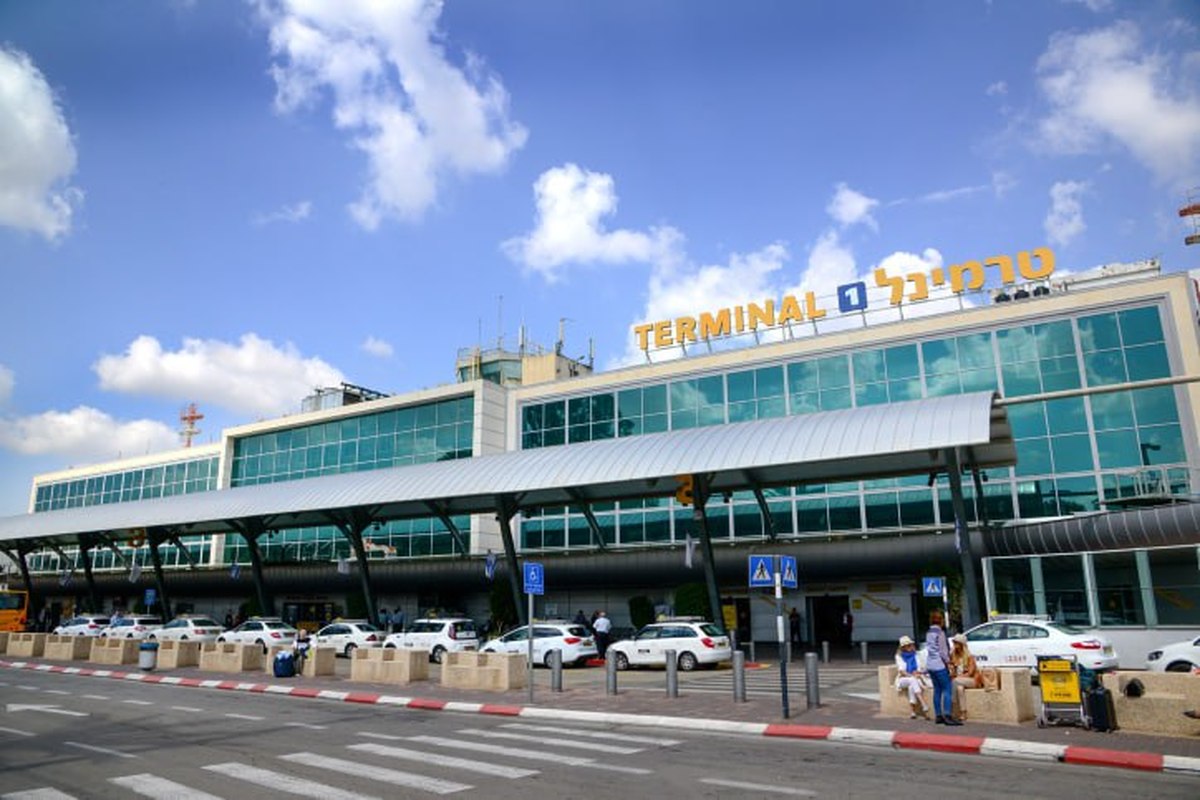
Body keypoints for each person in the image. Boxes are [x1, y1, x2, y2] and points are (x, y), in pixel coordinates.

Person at [924, 610, 959, 725]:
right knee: (947, 689)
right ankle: (947, 715)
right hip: (939, 665)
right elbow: (943, 651)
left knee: (937, 690)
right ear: (941, 621)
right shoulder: (940, 633)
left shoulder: (929, 632)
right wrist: (949, 662)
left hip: (930, 665)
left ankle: (938, 715)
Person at [894, 635, 930, 719]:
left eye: (910, 645)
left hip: (915, 678)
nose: (910, 647)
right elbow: (902, 671)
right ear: (903, 647)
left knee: (911, 686)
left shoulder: (916, 654)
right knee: (912, 680)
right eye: (907, 645)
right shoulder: (899, 656)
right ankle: (923, 703)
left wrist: (918, 673)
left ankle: (913, 711)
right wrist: (912, 675)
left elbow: (922, 667)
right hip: (903, 679)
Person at [950, 632, 982, 720]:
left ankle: (952, 705)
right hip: (959, 681)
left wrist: (958, 677)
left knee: (955, 681)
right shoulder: (953, 656)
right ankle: (963, 713)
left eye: (956, 643)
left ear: (961, 644)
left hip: (972, 680)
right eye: (954, 642)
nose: (954, 644)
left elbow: (970, 673)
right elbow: (953, 672)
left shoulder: (969, 656)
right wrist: (952, 670)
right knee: (959, 688)